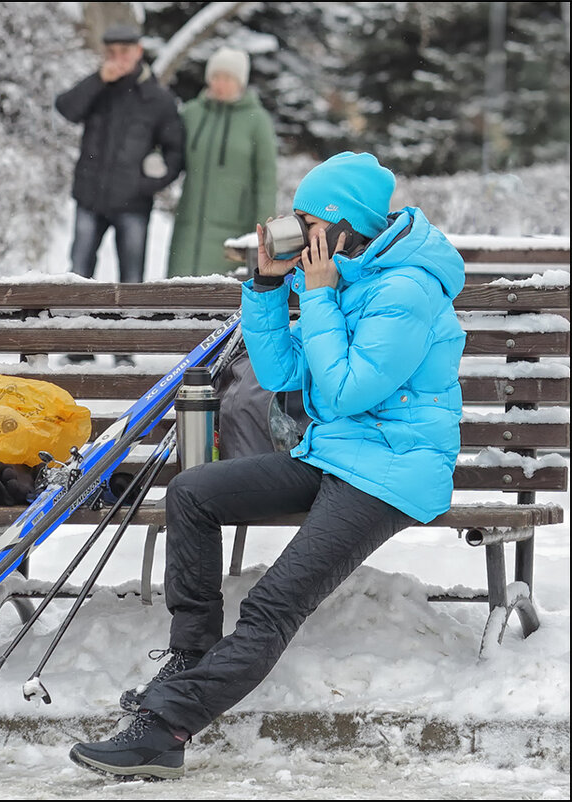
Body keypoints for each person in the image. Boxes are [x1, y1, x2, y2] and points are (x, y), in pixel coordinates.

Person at [68, 151, 466, 780]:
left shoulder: (405, 289)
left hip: (394, 469)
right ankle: (191, 654)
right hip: (334, 454)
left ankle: (166, 728)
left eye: (307, 221)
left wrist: (320, 297)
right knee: (193, 493)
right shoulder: (348, 275)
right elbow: (285, 379)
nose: (297, 232)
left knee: (272, 604)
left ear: (343, 225)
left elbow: (340, 394)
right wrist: (266, 288)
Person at [55, 24, 185, 366]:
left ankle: (124, 349)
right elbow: (66, 109)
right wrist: (99, 79)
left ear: (139, 52)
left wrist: (147, 185)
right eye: (111, 52)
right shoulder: (98, 87)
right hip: (90, 197)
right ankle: (76, 348)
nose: (118, 59)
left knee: (131, 278)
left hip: (133, 204)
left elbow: (176, 154)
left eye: (124, 52)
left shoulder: (157, 98)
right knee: (79, 272)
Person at [167, 46, 277, 278]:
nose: (220, 83)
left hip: (233, 229)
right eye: (216, 77)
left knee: (221, 295)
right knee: (179, 290)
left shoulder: (257, 121)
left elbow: (266, 178)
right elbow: (169, 152)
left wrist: (262, 231)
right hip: (189, 225)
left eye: (228, 78)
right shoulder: (191, 113)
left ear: (240, 82)